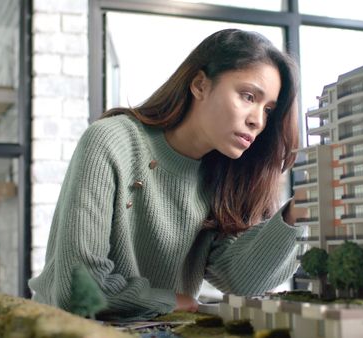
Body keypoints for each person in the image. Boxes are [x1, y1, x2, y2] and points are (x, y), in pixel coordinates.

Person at [28, 28, 306, 321]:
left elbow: (240, 281)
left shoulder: (222, 177)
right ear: (200, 85)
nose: (257, 120)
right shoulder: (111, 141)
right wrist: (169, 300)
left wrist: (297, 213)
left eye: (269, 111)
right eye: (248, 96)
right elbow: (79, 286)